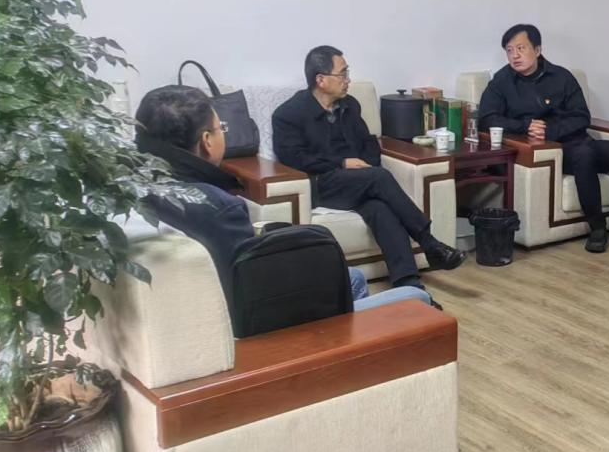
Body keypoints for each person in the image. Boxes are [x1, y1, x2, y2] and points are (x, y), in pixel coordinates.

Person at [134, 85, 431, 309]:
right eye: (221, 128)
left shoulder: (137, 190)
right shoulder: (220, 209)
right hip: (267, 325)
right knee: (415, 298)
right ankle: (350, 345)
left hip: (208, 304)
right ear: (207, 141)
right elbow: (254, 291)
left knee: (354, 274)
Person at [272, 46, 465, 288]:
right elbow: (293, 158)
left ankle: (409, 285)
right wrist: (342, 163)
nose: (348, 80)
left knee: (380, 209)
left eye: (348, 73)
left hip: (359, 181)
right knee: (379, 178)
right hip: (322, 183)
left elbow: (369, 143)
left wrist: (367, 167)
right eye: (342, 74)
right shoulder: (288, 114)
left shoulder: (350, 105)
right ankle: (429, 243)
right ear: (321, 80)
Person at [477, 23, 609, 253]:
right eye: (509, 50)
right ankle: (597, 228)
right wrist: (525, 126)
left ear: (537, 50)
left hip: (575, 140)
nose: (515, 55)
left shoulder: (562, 77)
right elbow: (486, 119)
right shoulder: (502, 81)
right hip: (544, 152)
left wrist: (550, 129)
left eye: (520, 48)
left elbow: (582, 116)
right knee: (584, 155)